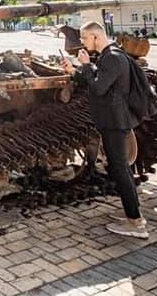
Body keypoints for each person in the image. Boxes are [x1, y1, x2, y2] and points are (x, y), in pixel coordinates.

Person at [60, 21, 147, 239]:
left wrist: (86, 64)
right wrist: (75, 70)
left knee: (119, 169)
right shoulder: (111, 57)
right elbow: (100, 80)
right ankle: (134, 215)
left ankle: (135, 223)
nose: (82, 42)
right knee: (122, 169)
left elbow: (99, 87)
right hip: (112, 120)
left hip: (114, 122)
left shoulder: (113, 58)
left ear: (95, 37)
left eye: (84, 38)